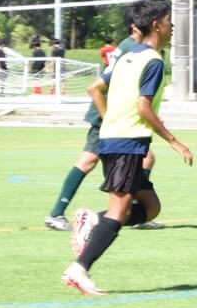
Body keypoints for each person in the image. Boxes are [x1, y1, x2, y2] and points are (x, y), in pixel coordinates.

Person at [62, 0, 194, 296]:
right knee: (119, 212)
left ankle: (94, 221)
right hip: (127, 142)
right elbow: (144, 108)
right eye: (169, 21)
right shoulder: (154, 61)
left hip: (116, 139)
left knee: (151, 208)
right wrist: (174, 141)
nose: (172, 27)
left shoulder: (126, 57)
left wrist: (111, 119)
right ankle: (79, 269)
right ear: (157, 25)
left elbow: (95, 87)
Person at [43, 32, 133, 231]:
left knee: (131, 161)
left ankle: (134, 212)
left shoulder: (127, 45)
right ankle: (56, 213)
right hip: (108, 112)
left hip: (113, 112)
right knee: (89, 160)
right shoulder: (132, 48)